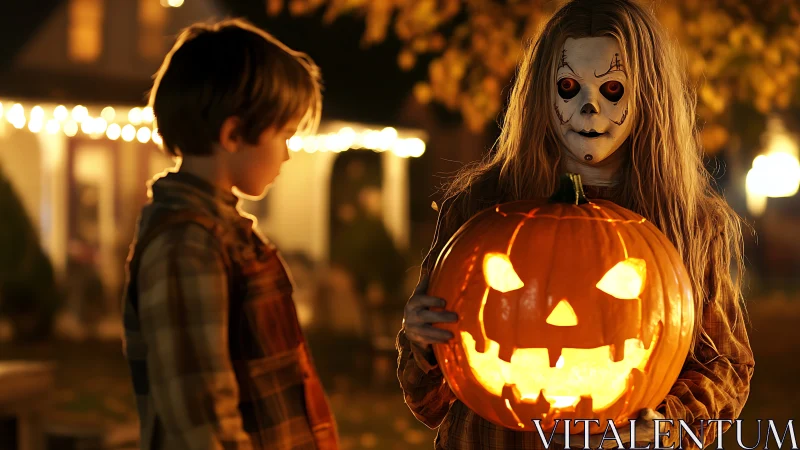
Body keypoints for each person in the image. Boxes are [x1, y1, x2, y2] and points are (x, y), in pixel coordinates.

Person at [397, 1, 754, 449]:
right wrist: (424, 344)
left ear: (648, 95)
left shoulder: (692, 224)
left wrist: (668, 423)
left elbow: (726, 368)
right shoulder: (479, 209)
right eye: (569, 87)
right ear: (541, 94)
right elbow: (428, 403)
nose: (589, 108)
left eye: (612, 89)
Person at [121, 19, 338, 450]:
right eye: (284, 135)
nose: (288, 154)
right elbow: (204, 420)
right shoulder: (186, 246)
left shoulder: (227, 237)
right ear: (234, 134)